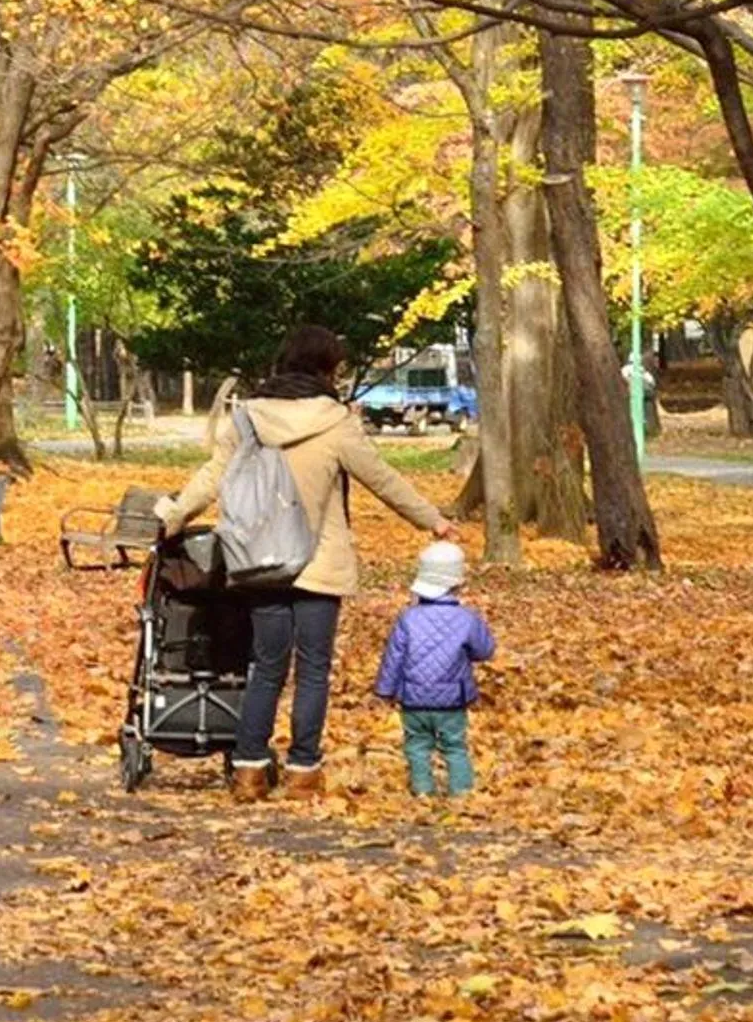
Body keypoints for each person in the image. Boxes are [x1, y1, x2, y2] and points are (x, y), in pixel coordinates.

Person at [154, 323, 458, 802]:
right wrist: (432, 521)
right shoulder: (336, 422)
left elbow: (214, 476)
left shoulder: (248, 418)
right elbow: (383, 479)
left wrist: (174, 517)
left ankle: (249, 771)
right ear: (323, 369)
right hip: (320, 563)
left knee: (266, 667)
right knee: (313, 669)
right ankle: (302, 772)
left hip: (258, 562)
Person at [373, 541, 496, 798]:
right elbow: (485, 650)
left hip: (413, 698)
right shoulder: (467, 618)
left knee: (417, 745)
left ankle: (422, 790)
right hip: (452, 698)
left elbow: (393, 658)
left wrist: (385, 691)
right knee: (455, 746)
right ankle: (461, 791)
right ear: (457, 583)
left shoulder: (408, 618)